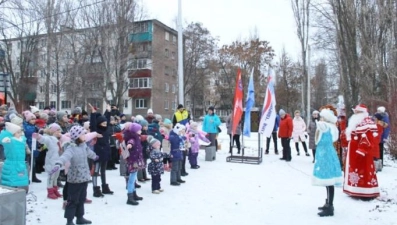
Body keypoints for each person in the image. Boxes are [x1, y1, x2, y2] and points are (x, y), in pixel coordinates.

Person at [51, 126, 98, 225]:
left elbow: (88, 152)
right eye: (83, 134)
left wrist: (94, 156)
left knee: (81, 199)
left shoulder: (83, 145)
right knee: (73, 200)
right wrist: (58, 163)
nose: (85, 136)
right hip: (75, 178)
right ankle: (69, 220)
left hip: (84, 177)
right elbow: (65, 156)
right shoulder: (71, 147)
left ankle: (80, 217)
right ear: (77, 136)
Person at [343, 104, 380, 199]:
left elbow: (368, 138)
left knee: (364, 169)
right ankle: (355, 189)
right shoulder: (356, 121)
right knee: (355, 169)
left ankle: (365, 190)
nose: (354, 113)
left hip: (361, 152)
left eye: (357, 112)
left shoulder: (366, 122)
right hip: (354, 150)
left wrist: (362, 150)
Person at [312, 109, 343, 217]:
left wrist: (319, 120)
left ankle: (330, 206)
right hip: (325, 153)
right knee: (327, 181)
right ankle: (328, 203)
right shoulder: (330, 127)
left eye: (322, 117)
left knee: (329, 182)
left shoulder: (326, 126)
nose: (320, 118)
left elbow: (321, 125)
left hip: (326, 154)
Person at [33, 123, 64, 199]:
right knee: (51, 176)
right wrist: (38, 136)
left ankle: (55, 190)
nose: (59, 132)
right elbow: (43, 139)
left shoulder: (57, 139)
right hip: (51, 161)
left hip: (57, 161)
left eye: (60, 131)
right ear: (53, 131)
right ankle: (50, 191)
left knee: (56, 176)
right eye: (58, 130)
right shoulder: (49, 138)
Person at [88, 103, 113, 197]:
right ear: (99, 124)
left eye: (106, 123)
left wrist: (108, 111)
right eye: (103, 123)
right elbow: (93, 124)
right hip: (97, 154)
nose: (105, 125)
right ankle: (95, 189)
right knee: (96, 171)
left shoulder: (106, 129)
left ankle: (104, 186)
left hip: (105, 153)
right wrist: (93, 114)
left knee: (103, 171)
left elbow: (106, 118)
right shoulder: (96, 131)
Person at [0, 122, 29, 193]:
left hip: (20, 163)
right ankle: (10, 192)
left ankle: (19, 192)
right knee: (11, 179)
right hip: (12, 163)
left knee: (20, 179)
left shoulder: (21, 140)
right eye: (18, 132)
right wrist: (5, 138)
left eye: (20, 132)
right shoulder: (9, 141)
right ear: (12, 134)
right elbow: (3, 141)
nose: (20, 134)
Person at [124, 122, 145, 205]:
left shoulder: (137, 137)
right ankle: (130, 196)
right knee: (131, 179)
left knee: (134, 177)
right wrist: (129, 145)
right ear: (135, 131)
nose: (141, 131)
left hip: (136, 160)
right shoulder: (132, 138)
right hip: (133, 161)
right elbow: (130, 142)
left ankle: (134, 194)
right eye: (139, 130)